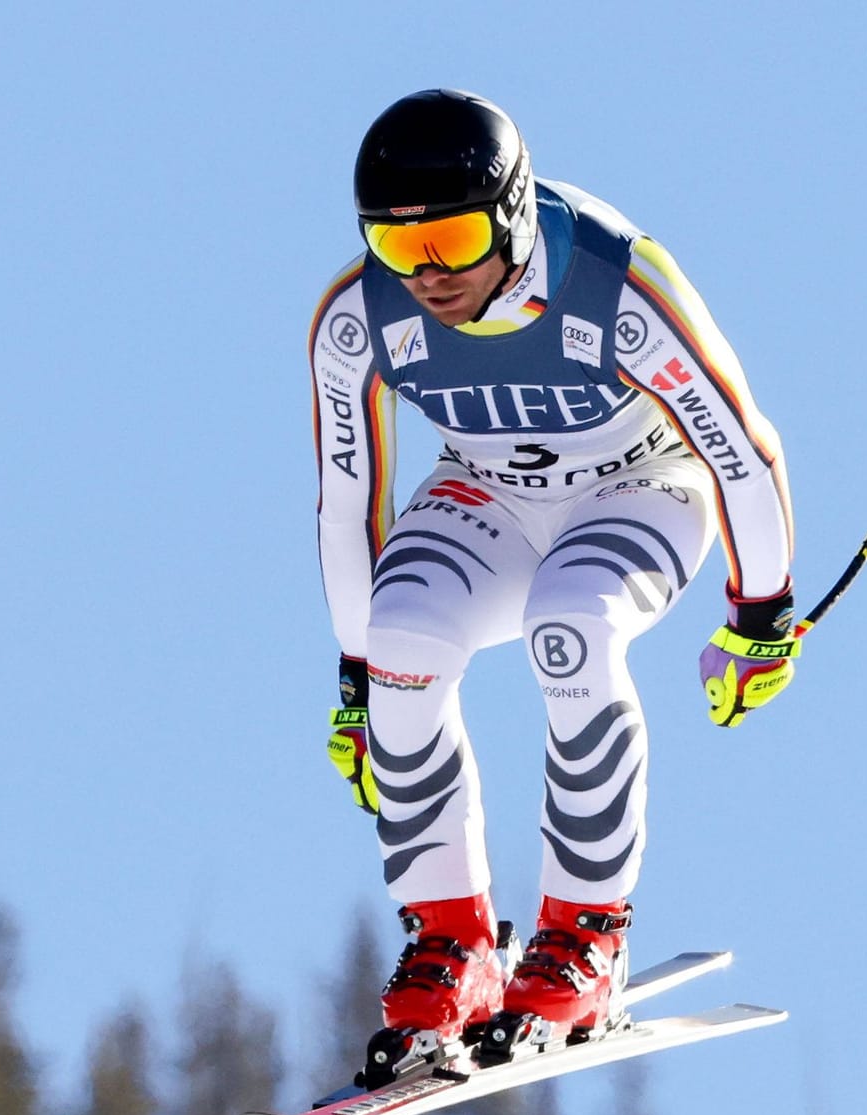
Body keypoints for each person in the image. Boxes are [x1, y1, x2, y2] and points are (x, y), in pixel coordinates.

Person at [311, 89, 799, 1048]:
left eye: (448, 239)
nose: (427, 275)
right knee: (399, 636)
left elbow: (742, 447)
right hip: (489, 491)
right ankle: (449, 943)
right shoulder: (356, 319)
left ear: (510, 213)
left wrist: (761, 615)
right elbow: (347, 499)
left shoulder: (616, 284)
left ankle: (584, 940)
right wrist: (356, 681)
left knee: (570, 628)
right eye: (398, 248)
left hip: (642, 486)